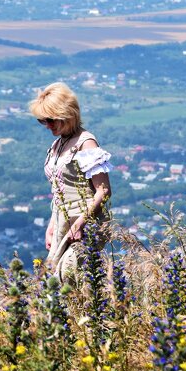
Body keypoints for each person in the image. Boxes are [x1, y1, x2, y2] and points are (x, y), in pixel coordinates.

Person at [29, 82, 113, 279]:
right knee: (55, 283)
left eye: (51, 120)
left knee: (66, 277)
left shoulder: (86, 143)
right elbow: (59, 191)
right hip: (62, 221)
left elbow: (104, 191)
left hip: (85, 224)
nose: (47, 125)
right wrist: (52, 225)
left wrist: (80, 224)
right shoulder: (57, 144)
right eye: (43, 121)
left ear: (67, 114)